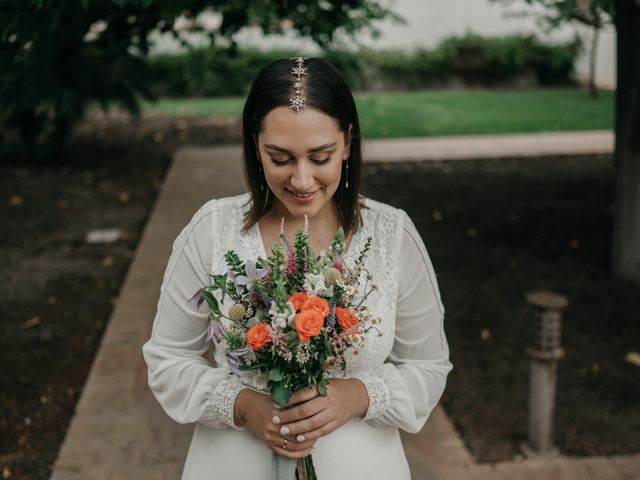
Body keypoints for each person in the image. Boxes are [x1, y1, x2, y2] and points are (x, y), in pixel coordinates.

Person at [142, 57, 453, 480]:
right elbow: (168, 359)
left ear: (347, 142)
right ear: (256, 146)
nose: (302, 180)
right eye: (281, 158)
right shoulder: (213, 230)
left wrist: (358, 395)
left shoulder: (391, 234)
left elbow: (428, 366)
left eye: (320, 156)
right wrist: (246, 406)